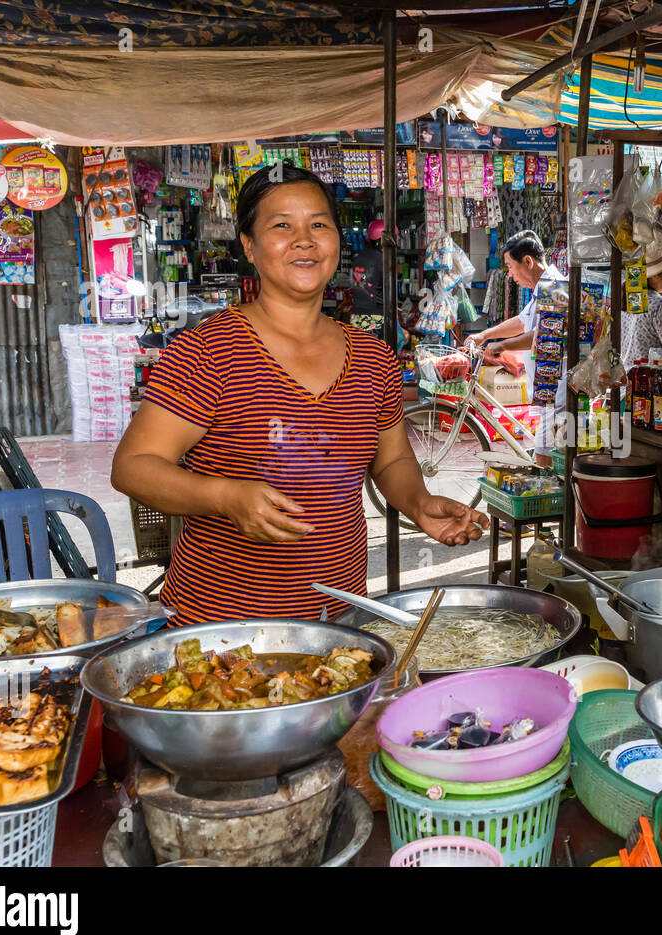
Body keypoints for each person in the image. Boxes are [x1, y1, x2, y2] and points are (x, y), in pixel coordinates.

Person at [112, 165, 487, 627]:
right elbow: (133, 466)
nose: (304, 239)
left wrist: (418, 502)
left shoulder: (373, 358)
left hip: (337, 625)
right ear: (249, 246)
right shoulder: (207, 351)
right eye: (281, 225)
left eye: (318, 224)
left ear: (336, 240)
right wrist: (226, 497)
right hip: (217, 631)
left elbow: (391, 462)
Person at [466, 230, 566, 449]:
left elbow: (545, 334)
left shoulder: (554, 287)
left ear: (527, 261)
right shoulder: (541, 289)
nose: (510, 275)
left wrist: (502, 345)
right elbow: (523, 322)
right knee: (545, 455)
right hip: (546, 389)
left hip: (557, 391)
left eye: (510, 266)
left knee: (544, 455)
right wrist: (485, 335)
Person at [620, 244, 662, 369]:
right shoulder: (661, 305)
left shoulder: (628, 301)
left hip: (625, 383)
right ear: (654, 275)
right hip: (649, 382)